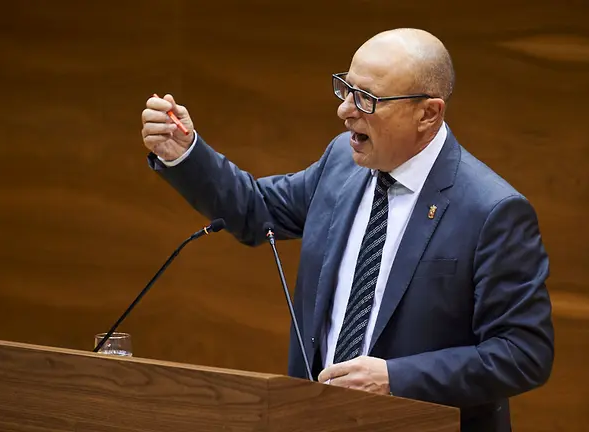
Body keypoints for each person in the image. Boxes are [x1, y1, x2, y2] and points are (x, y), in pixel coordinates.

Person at [140, 28, 554, 432]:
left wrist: (396, 378)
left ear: (428, 113)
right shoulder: (342, 162)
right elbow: (257, 210)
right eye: (346, 88)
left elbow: (523, 353)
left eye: (367, 99)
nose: (345, 110)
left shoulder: (492, 211)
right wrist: (187, 154)